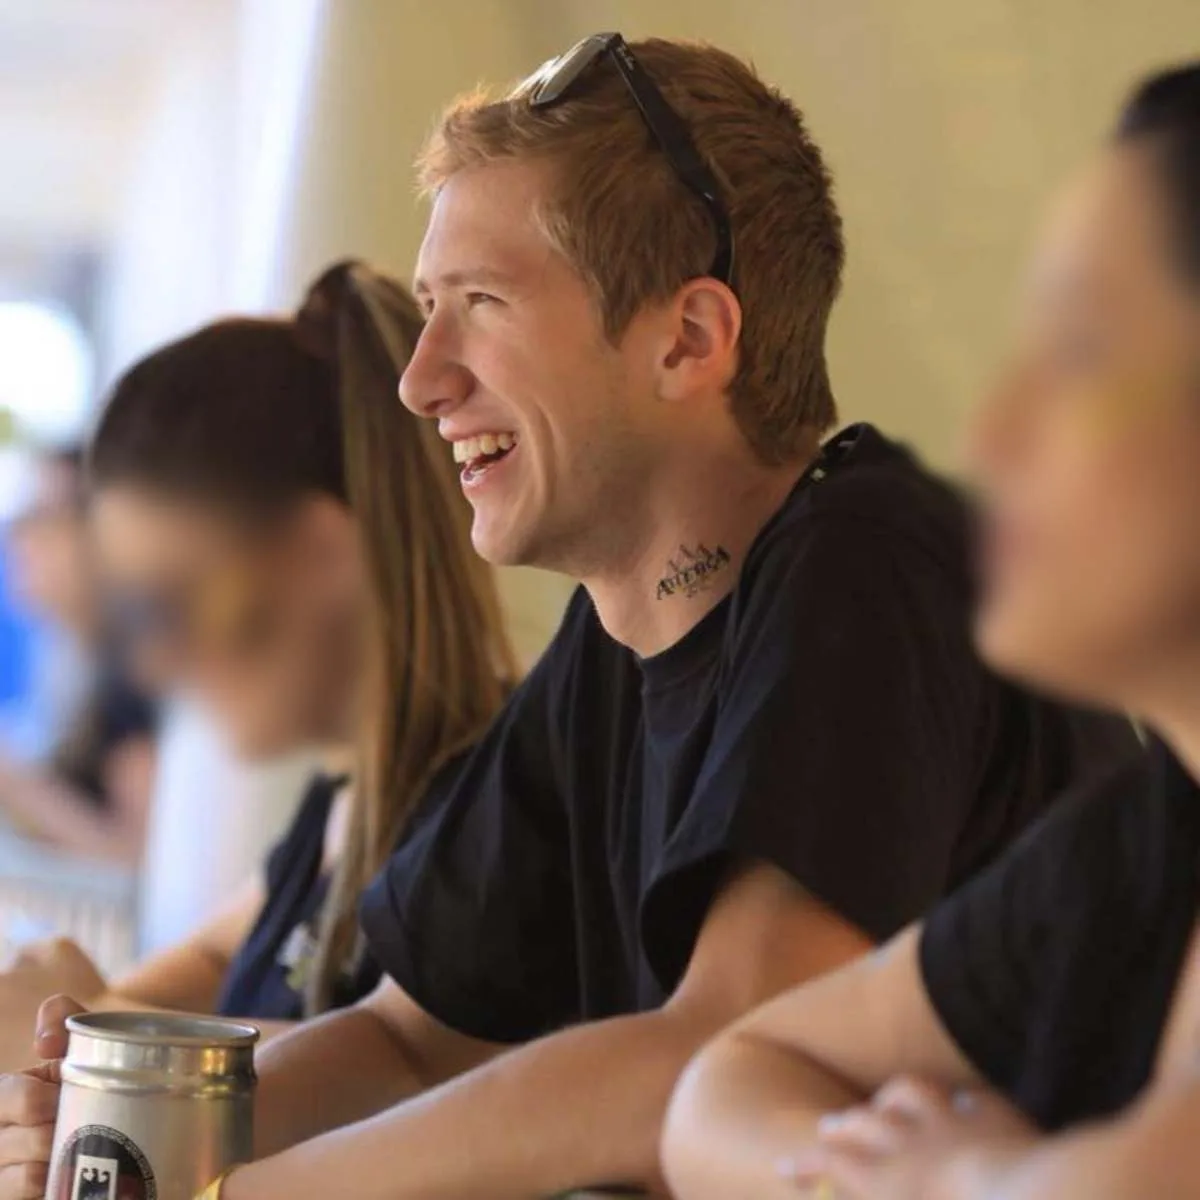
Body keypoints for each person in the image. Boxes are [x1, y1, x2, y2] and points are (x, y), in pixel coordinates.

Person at [0, 36, 1138, 1200]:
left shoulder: (868, 559)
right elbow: (408, 1040)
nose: (421, 378)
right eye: (430, 309)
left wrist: (238, 1193)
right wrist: (124, 1145)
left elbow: (719, 1051)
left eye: (483, 304)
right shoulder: (610, 650)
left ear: (688, 340)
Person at [659, 61, 1200, 1200]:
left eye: (1084, 352)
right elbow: (725, 1080)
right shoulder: (1131, 860)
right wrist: (900, 1179)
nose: (992, 436)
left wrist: (967, 1180)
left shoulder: (858, 559)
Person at [0, 261, 516, 1056]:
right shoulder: (343, 808)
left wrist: (92, 1039)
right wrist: (63, 1025)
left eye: (169, 605)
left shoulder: (492, 812)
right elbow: (210, 960)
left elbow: (390, 1065)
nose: (153, 661)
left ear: (319, 552)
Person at [0, 446, 157, 865]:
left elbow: (136, 860)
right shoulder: (69, 654)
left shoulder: (137, 674)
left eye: (45, 518)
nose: (22, 538)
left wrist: (16, 784)